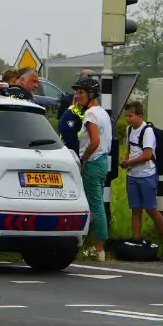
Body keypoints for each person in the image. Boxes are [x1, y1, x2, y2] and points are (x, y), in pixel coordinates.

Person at [73, 77, 112, 261]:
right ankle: (94, 246)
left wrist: (83, 158)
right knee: (97, 203)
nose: (77, 96)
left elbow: (95, 141)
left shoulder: (90, 115)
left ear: (91, 95)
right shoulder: (102, 113)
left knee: (95, 205)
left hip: (93, 161)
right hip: (103, 161)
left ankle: (99, 249)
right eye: (77, 92)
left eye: (81, 92)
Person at [121, 101, 163, 242]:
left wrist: (130, 162)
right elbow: (129, 149)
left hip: (146, 175)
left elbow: (147, 155)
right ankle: (136, 240)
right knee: (135, 210)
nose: (127, 119)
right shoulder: (129, 130)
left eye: (130, 116)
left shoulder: (147, 131)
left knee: (151, 209)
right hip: (132, 175)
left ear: (140, 115)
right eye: (126, 116)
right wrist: (126, 161)